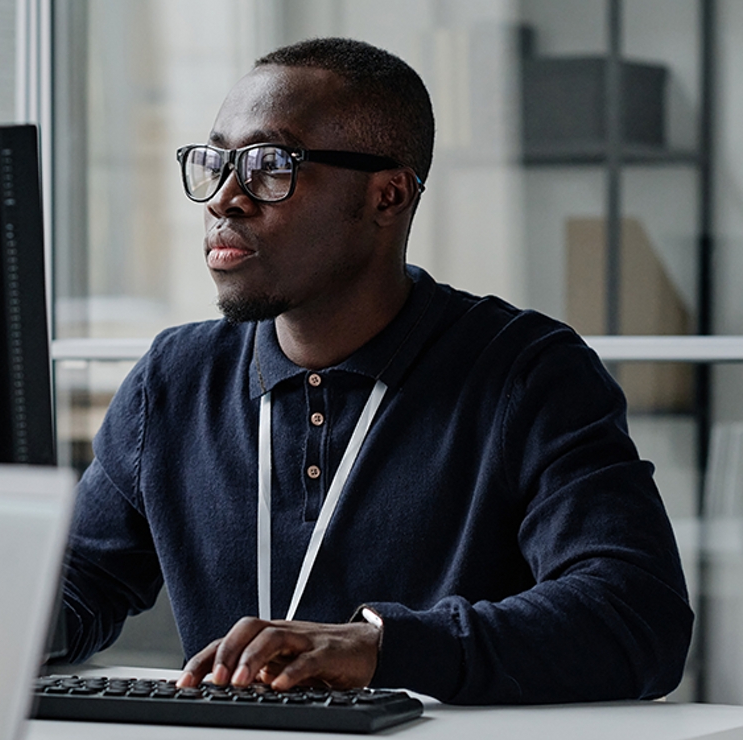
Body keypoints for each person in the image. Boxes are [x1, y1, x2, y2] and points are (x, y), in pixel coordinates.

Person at [56, 37, 693, 705]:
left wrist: (383, 648)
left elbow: (635, 615)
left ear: (388, 197)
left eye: (271, 165)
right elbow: (75, 587)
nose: (225, 198)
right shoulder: (175, 380)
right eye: (216, 162)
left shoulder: (526, 374)